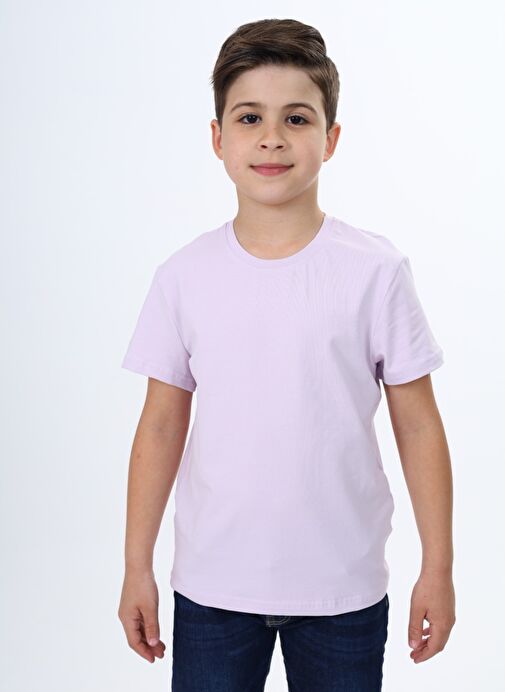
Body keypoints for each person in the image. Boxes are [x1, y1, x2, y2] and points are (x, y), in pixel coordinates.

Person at [117, 17, 456, 691]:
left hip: (342, 589)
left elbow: (418, 424)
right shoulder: (184, 276)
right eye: (249, 117)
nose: (272, 137)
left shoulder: (375, 271)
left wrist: (438, 568)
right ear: (218, 139)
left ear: (330, 139)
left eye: (296, 118)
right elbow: (159, 425)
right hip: (213, 587)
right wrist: (136, 567)